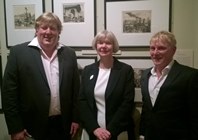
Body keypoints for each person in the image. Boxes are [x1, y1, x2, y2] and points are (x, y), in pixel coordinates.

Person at [2, 12, 80, 140]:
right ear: (37, 30)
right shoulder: (18, 53)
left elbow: (76, 91)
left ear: (58, 32)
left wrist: (76, 119)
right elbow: (9, 94)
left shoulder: (69, 54)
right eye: (44, 27)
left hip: (63, 126)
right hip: (30, 127)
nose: (48, 32)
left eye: (53, 28)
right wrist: (15, 128)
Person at [139, 30, 198, 140]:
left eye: (161, 48)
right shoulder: (145, 75)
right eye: (152, 48)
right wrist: (142, 133)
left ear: (173, 50)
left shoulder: (190, 76)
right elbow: (147, 109)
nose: (155, 53)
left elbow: (195, 115)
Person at [78, 30, 135, 140]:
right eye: (100, 42)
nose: (103, 46)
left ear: (114, 46)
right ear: (96, 46)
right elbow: (82, 101)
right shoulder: (88, 70)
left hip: (117, 131)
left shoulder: (125, 71)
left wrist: (110, 131)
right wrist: (95, 128)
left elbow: (127, 103)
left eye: (108, 43)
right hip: (93, 131)